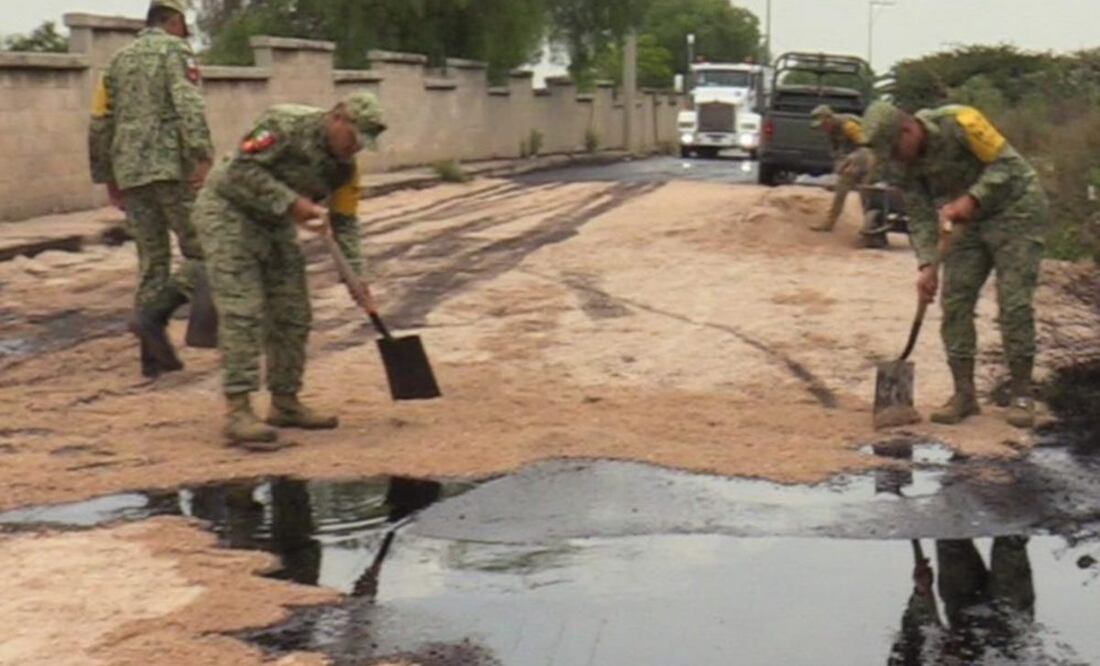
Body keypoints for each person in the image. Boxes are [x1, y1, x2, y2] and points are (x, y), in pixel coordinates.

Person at [193, 92, 385, 451]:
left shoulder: (344, 168)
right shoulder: (285, 124)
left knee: (293, 312)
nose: (355, 149)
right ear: (338, 118)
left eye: (364, 145)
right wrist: (293, 203)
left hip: (276, 223)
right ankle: (239, 411)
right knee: (243, 311)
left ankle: (285, 403)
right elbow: (241, 170)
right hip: (228, 212)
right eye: (354, 139)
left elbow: (345, 223)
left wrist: (356, 277)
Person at [863, 101, 1049, 428]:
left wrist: (972, 197)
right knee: (955, 302)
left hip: (1016, 211)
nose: (895, 159)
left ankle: (1022, 394)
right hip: (967, 225)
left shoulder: (962, 121)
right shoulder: (902, 165)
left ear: (908, 130)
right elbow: (919, 214)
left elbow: (1007, 164)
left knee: (1014, 304)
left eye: (895, 150)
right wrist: (925, 265)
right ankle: (964, 395)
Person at [88, 0, 216, 378]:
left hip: (130, 171)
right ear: (174, 20)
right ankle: (188, 325)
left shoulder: (116, 62)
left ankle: (152, 356)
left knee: (151, 260)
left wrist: (107, 177)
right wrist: (202, 154)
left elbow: (99, 123)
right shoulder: (176, 50)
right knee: (203, 250)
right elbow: (188, 102)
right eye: (184, 24)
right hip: (173, 169)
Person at [809, 104, 876, 232]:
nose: (822, 129)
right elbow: (837, 153)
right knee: (841, 188)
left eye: (823, 125)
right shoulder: (831, 132)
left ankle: (871, 224)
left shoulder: (848, 125)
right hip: (854, 162)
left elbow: (867, 145)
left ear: (829, 119)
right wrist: (839, 166)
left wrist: (851, 159)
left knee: (866, 191)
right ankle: (829, 223)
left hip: (868, 158)